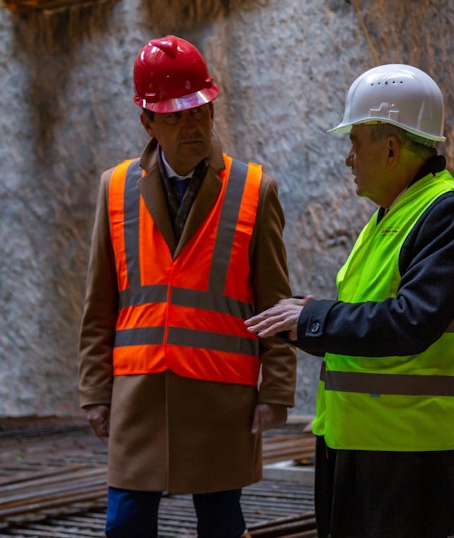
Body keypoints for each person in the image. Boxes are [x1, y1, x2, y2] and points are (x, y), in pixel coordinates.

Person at [246, 64, 454, 538]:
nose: (349, 159)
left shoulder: (449, 212)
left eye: (355, 143)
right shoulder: (389, 218)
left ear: (392, 147)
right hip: (358, 443)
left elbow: (411, 321)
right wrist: (304, 321)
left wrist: (314, 318)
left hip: (413, 457)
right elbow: (365, 321)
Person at [78, 35, 297, 538]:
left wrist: (277, 389)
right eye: (174, 117)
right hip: (138, 398)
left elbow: (275, 301)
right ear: (147, 122)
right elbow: (99, 303)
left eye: (199, 111)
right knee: (126, 525)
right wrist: (95, 389)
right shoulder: (115, 189)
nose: (191, 125)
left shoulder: (253, 190)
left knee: (221, 525)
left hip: (221, 400)